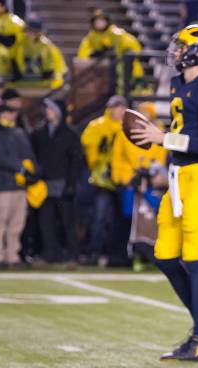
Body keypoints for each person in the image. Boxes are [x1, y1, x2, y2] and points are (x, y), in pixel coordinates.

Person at [130, 24, 198, 362]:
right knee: (163, 255)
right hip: (177, 176)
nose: (175, 52)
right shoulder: (178, 84)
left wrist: (163, 139)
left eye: (181, 46)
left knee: (194, 258)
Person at [111, 101, 167, 269]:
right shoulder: (124, 134)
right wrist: (126, 177)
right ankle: (127, 254)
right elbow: (117, 159)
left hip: (150, 183)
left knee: (151, 220)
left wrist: (151, 173)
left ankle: (149, 255)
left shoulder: (157, 133)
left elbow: (160, 158)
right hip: (129, 182)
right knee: (127, 218)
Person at [31, 98, 84, 266]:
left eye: (51, 109)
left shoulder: (70, 134)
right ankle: (49, 254)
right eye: (47, 109)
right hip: (45, 184)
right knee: (45, 222)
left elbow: (76, 161)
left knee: (67, 221)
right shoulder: (39, 133)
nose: (48, 112)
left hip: (63, 183)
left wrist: (71, 184)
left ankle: (73, 256)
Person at [0, 102, 36, 267]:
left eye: (13, 112)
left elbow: (29, 154)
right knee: (1, 220)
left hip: (19, 185)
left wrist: (33, 171)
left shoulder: (19, 132)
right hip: (1, 185)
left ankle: (12, 255)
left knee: (17, 222)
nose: (12, 115)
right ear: (1, 114)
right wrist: (21, 167)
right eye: (8, 112)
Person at [80, 94, 127, 265]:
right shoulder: (98, 125)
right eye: (115, 107)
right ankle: (94, 252)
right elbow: (89, 149)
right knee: (99, 217)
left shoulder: (128, 125)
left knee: (121, 219)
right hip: (103, 180)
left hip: (124, 178)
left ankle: (118, 254)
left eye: (121, 107)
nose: (118, 111)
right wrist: (101, 150)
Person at [77, 9, 144, 93]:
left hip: (119, 67)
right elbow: (82, 54)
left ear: (107, 21)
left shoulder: (116, 33)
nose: (99, 23)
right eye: (97, 21)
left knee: (121, 88)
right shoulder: (91, 37)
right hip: (101, 69)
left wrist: (123, 52)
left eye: (102, 20)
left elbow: (133, 45)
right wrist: (92, 54)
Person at [13, 17, 67, 89]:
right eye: (26, 31)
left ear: (36, 32)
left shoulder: (47, 45)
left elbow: (59, 66)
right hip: (27, 80)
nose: (26, 34)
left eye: (29, 31)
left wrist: (55, 78)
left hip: (45, 82)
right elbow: (19, 61)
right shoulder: (22, 44)